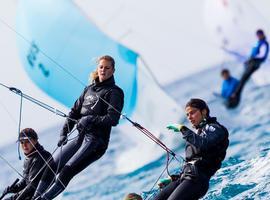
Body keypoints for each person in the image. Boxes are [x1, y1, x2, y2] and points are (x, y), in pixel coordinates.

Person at [33, 55, 124, 200]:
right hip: (79, 138)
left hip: (96, 142)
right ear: (97, 68)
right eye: (101, 67)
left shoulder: (115, 92)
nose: (103, 70)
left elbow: (113, 119)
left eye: (107, 68)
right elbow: (74, 113)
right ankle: (34, 197)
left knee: (66, 171)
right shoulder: (88, 90)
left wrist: (89, 119)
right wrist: (64, 133)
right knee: (50, 167)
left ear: (113, 71)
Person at [154, 98, 229, 200]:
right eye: (187, 115)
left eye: (192, 113)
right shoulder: (198, 134)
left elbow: (204, 145)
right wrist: (172, 179)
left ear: (204, 111)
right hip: (185, 178)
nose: (189, 117)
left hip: (197, 181)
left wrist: (183, 129)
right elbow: (193, 162)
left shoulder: (215, 128)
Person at [1, 128, 51, 200]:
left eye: (27, 141)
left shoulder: (39, 158)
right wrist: (13, 189)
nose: (24, 145)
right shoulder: (29, 158)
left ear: (35, 140)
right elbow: (25, 182)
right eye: (21, 142)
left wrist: (12, 198)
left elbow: (32, 187)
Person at [229, 29, 269, 107]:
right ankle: (234, 94)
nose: (258, 36)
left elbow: (262, 55)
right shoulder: (258, 43)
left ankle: (235, 96)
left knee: (243, 79)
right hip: (252, 63)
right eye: (257, 35)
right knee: (243, 79)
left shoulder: (264, 43)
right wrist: (248, 60)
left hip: (255, 64)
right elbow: (254, 53)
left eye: (259, 35)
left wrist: (252, 59)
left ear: (262, 34)